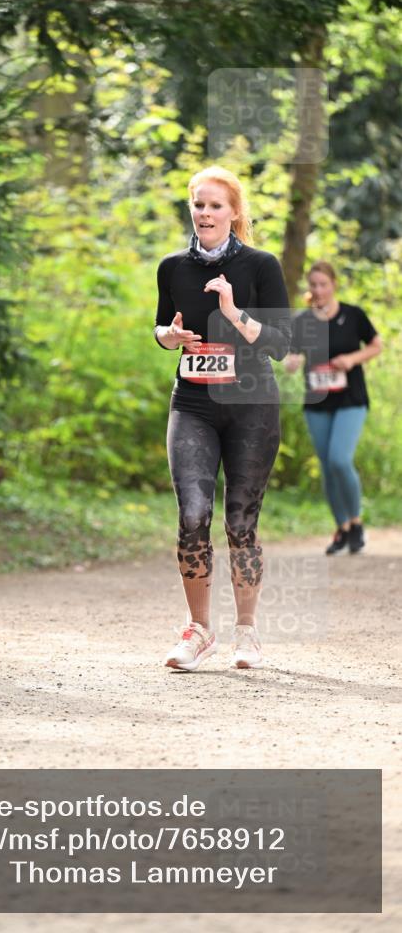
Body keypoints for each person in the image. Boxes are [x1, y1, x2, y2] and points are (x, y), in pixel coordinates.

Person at [154, 165, 291, 672]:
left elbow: (280, 344)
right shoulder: (172, 267)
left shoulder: (261, 265)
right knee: (192, 517)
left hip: (252, 408)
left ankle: (247, 635)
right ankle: (198, 630)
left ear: (234, 213)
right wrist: (168, 337)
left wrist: (234, 312)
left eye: (215, 205)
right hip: (192, 404)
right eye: (198, 204)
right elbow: (163, 325)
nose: (205, 213)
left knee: (240, 524)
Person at [284, 261, 382, 556]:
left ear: (334, 284)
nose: (318, 290)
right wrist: (292, 361)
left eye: (323, 284)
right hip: (317, 402)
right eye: (313, 285)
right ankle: (342, 529)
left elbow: (376, 345)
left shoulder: (353, 315)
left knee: (340, 459)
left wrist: (352, 359)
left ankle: (356, 522)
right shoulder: (302, 321)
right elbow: (291, 354)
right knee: (327, 468)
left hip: (351, 399)